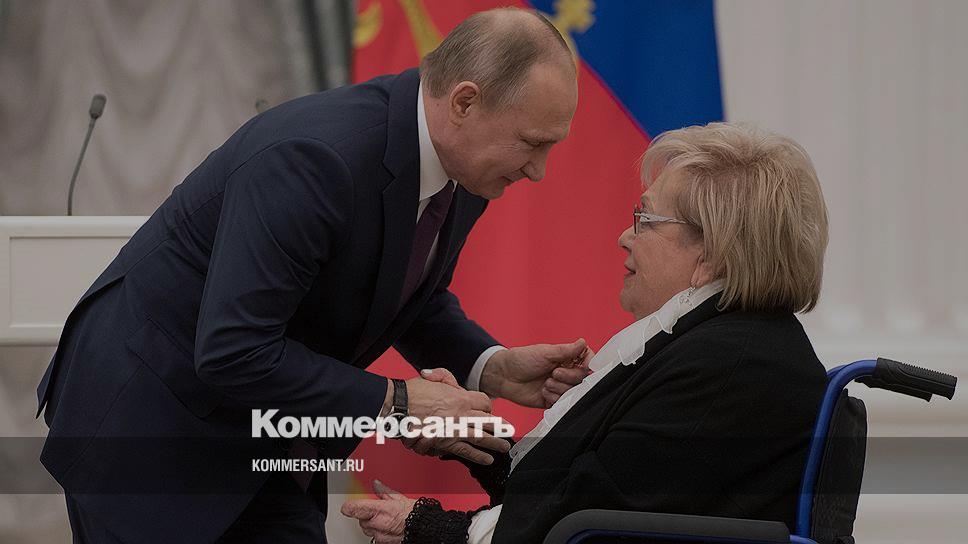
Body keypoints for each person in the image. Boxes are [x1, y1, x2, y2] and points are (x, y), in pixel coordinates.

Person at [34, 8, 593, 544]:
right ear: (465, 102)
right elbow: (233, 348)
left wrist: (490, 366)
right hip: (154, 425)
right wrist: (401, 402)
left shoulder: (466, 169)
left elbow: (406, 294)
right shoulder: (317, 158)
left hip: (271, 430)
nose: (538, 170)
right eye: (531, 143)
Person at [341, 122, 831, 543]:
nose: (624, 236)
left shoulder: (728, 365)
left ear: (713, 253)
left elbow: (586, 524)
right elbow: (577, 493)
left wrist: (426, 526)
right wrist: (474, 439)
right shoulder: (715, 343)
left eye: (645, 220)